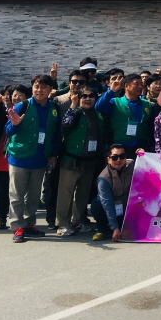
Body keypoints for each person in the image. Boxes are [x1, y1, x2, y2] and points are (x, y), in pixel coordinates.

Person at [5, 74, 61, 243]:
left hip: (40, 158)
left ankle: (29, 224)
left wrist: (53, 155)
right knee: (17, 195)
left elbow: (56, 133)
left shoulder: (54, 108)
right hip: (20, 157)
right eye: (36, 86)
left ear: (50, 90)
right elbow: (8, 131)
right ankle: (17, 226)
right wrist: (14, 124)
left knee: (35, 196)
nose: (39, 90)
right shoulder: (23, 106)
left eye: (44, 87)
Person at [55, 86, 105, 236]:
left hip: (89, 160)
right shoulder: (75, 112)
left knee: (82, 194)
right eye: (84, 96)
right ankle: (62, 223)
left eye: (91, 96)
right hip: (71, 158)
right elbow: (65, 124)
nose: (87, 99)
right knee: (66, 193)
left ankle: (78, 221)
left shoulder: (98, 115)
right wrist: (72, 105)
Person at [0, 85, 29, 230]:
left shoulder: (26, 110)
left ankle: (18, 216)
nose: (10, 97)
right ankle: (1, 216)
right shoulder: (1, 111)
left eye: (18, 95)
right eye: (8, 94)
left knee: (18, 189)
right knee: (1, 187)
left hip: (21, 153)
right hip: (2, 153)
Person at [95, 73, 152, 157]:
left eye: (141, 84)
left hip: (141, 147)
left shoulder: (147, 104)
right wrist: (112, 91)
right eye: (136, 84)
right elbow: (99, 107)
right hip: (121, 147)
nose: (140, 87)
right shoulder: (115, 102)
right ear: (126, 86)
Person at [91, 145, 134, 242]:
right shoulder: (103, 179)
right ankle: (103, 230)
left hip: (126, 206)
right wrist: (115, 228)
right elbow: (107, 204)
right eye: (114, 157)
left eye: (122, 156)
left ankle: (122, 227)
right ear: (108, 159)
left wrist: (143, 154)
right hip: (111, 206)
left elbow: (145, 164)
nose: (119, 160)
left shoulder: (131, 165)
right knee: (97, 203)